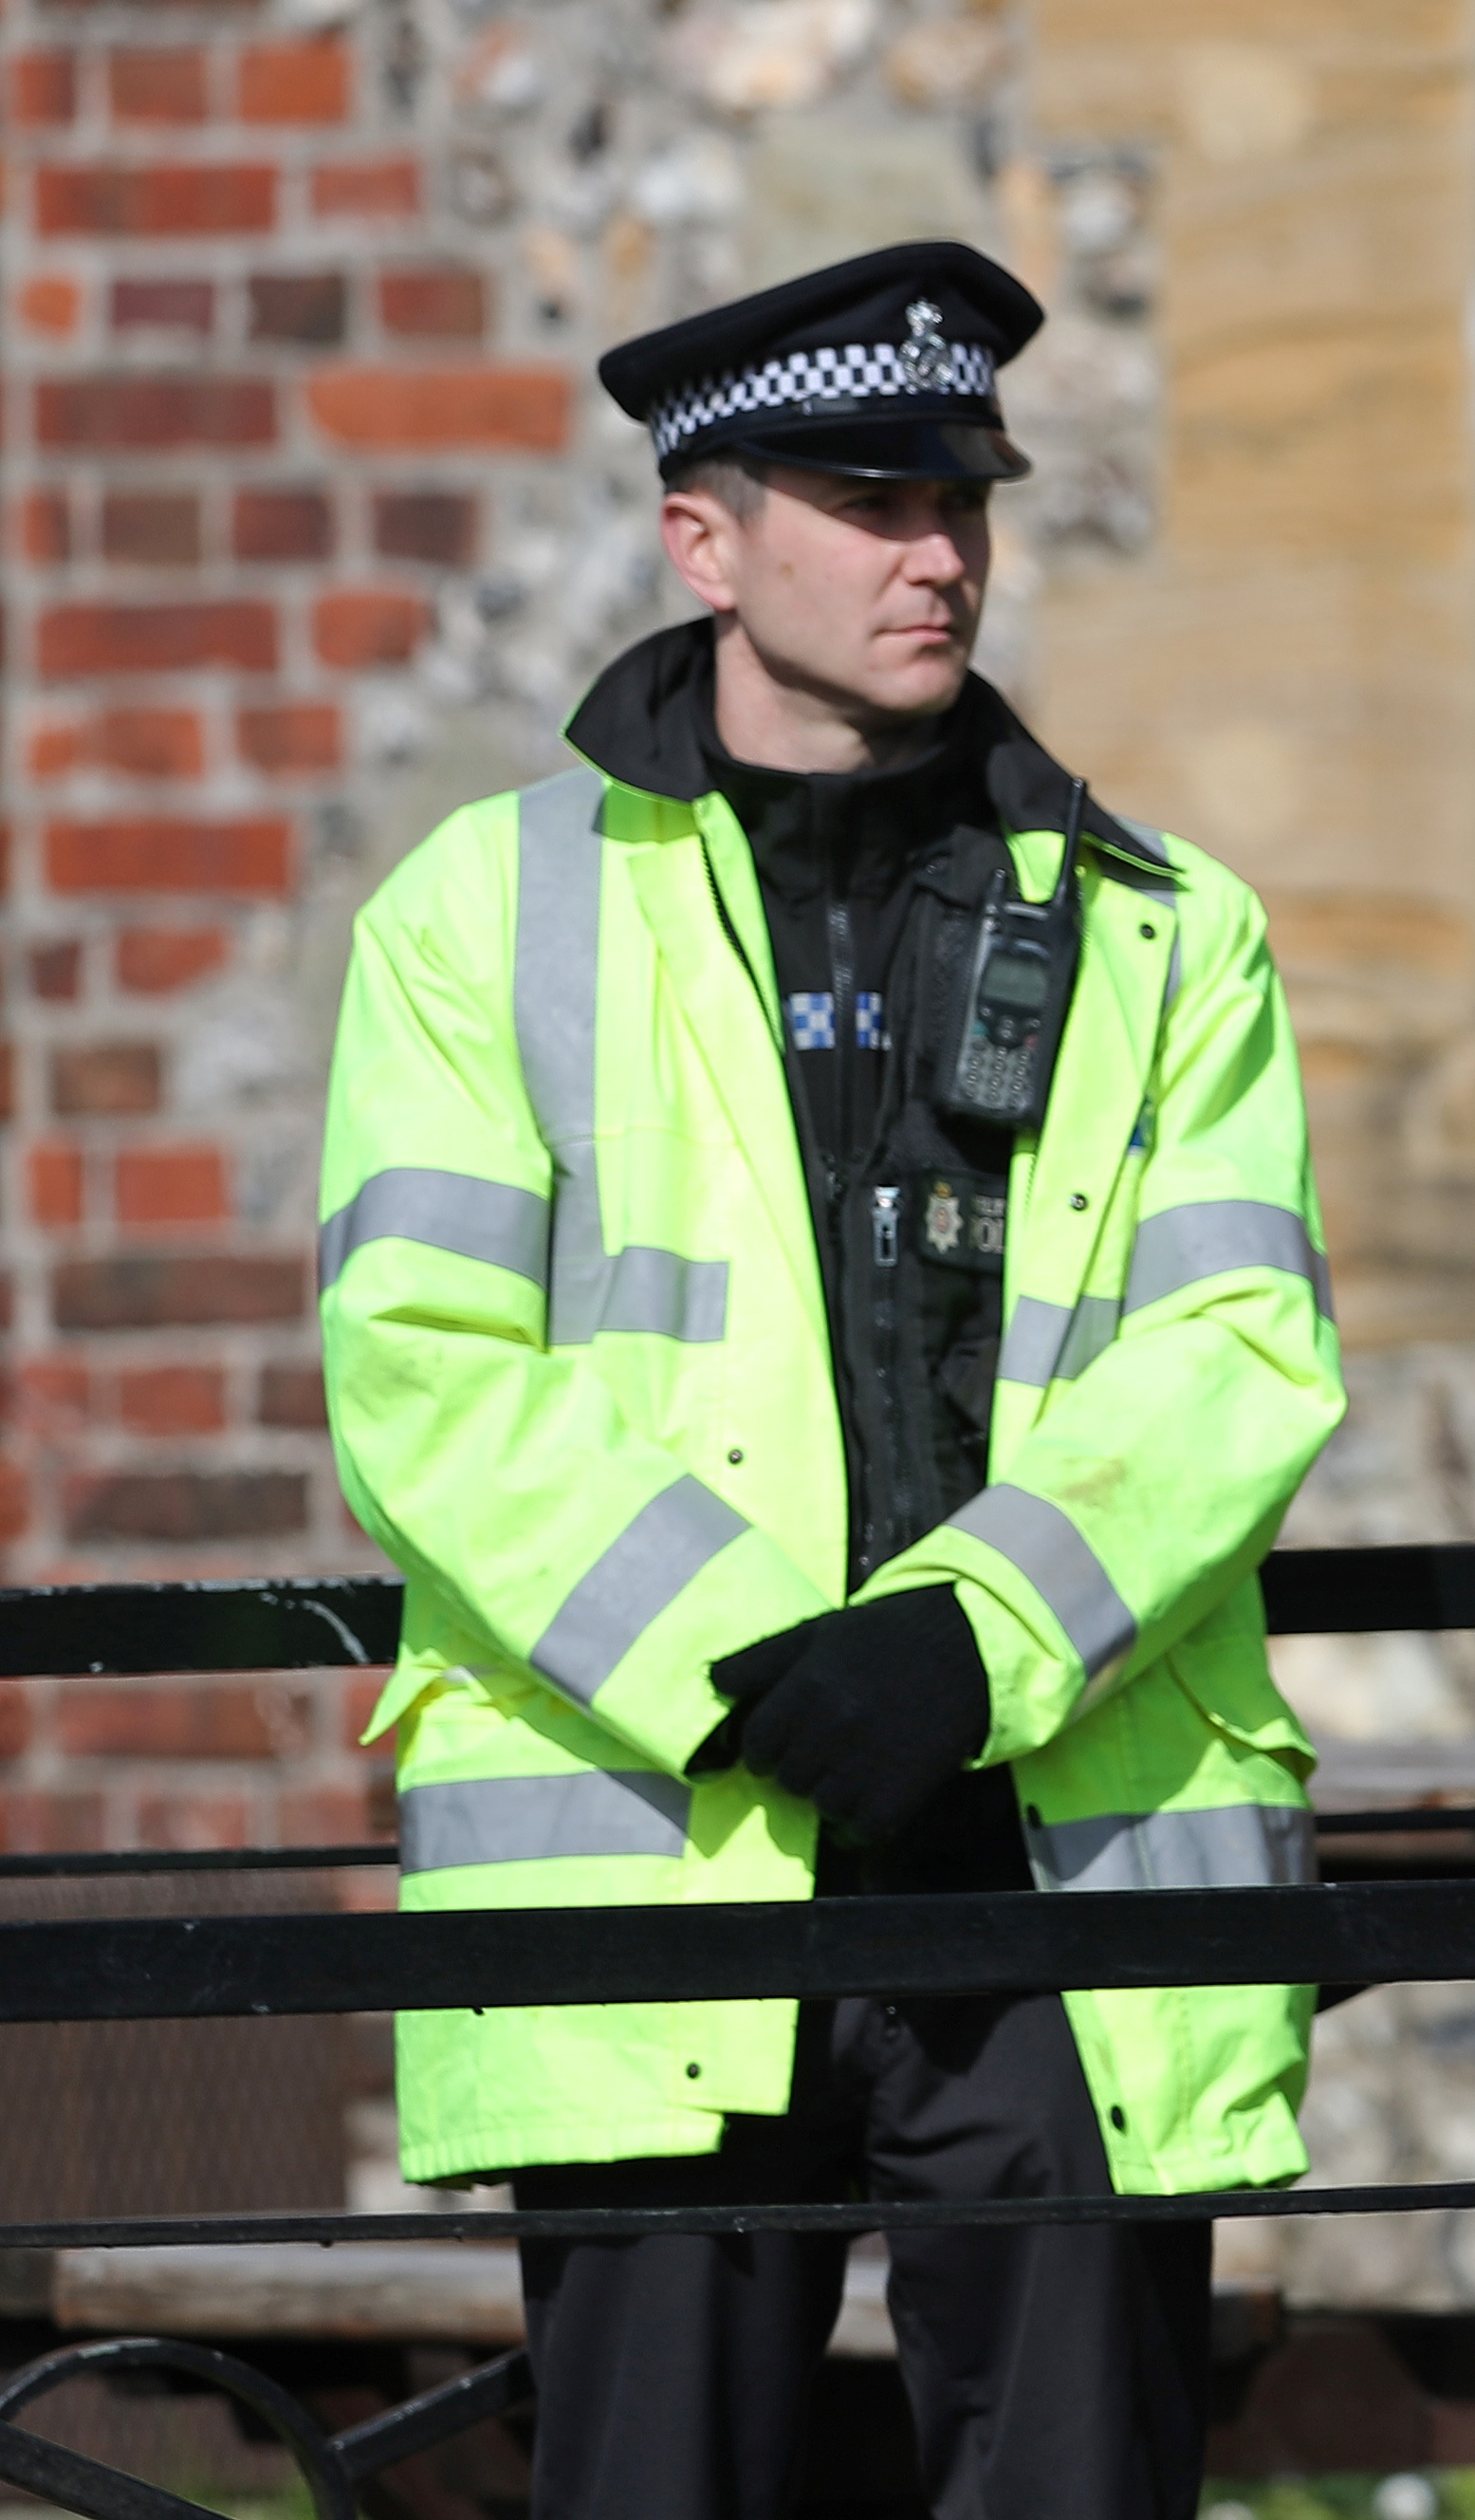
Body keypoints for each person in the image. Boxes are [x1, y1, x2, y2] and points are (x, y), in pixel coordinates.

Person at [312, 243, 1341, 2520]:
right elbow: (422, 1371)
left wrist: (965, 1645)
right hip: (653, 1852)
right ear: (706, 539)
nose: (938, 553)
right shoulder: (480, 913)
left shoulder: (1168, 924)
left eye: (961, 500)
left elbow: (1236, 1352)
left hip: (1057, 1868)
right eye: (873, 504)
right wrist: (753, 1666)